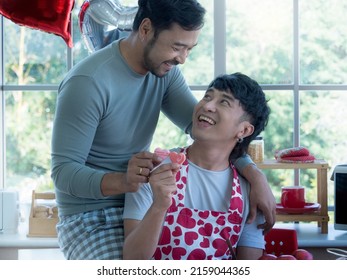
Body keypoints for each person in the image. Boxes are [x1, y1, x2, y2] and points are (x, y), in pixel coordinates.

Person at [51, 0, 275, 260]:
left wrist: (255, 176)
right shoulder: (88, 83)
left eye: (189, 49)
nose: (181, 59)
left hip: (137, 204)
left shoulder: (164, 71)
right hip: (93, 217)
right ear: (146, 29)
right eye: (177, 47)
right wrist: (125, 181)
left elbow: (207, 129)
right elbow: (63, 174)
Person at [123, 72, 271, 260]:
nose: (207, 105)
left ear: (244, 130)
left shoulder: (251, 191)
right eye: (207, 96)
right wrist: (159, 206)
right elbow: (132, 260)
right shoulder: (156, 170)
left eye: (224, 102)